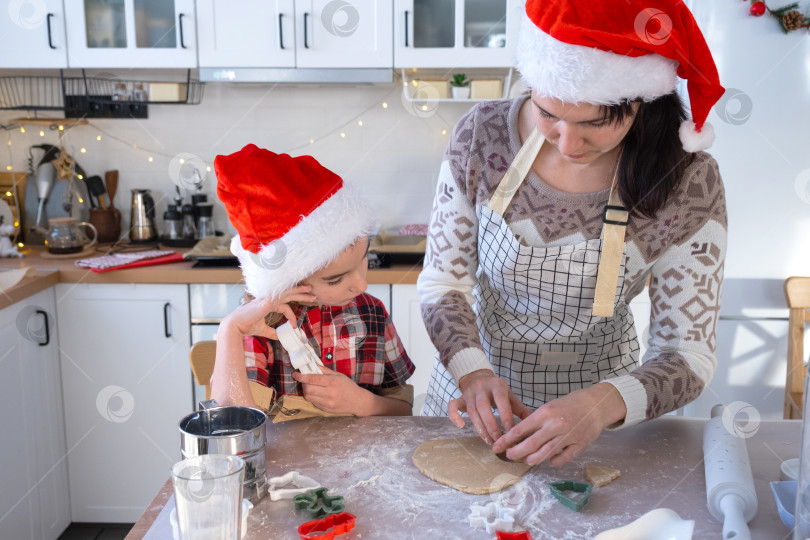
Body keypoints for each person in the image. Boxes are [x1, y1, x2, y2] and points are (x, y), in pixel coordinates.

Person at [418, 0, 727, 466]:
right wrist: (471, 373)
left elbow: (688, 354)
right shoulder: (483, 135)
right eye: (547, 114)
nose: (566, 143)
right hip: (473, 409)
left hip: (602, 420)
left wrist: (600, 405)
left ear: (643, 101)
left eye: (595, 123)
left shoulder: (688, 182)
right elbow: (444, 282)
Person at [210, 144, 415, 416]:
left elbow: (402, 411)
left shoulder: (372, 313)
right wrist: (230, 330)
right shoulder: (259, 326)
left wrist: (361, 403)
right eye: (335, 280)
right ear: (290, 281)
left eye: (365, 258)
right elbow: (234, 424)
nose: (362, 285)